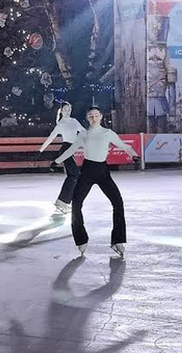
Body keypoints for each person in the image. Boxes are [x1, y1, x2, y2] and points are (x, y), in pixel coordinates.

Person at [55, 107, 139, 257]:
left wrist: (134, 155)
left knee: (118, 202)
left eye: (96, 115)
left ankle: (117, 240)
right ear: (87, 118)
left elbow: (125, 146)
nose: (93, 118)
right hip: (87, 171)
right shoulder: (84, 134)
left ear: (100, 116)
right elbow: (72, 149)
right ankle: (81, 239)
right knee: (76, 203)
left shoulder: (108, 133)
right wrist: (57, 161)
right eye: (90, 116)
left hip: (103, 171)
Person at [39, 101, 85, 214]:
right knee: (74, 175)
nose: (67, 111)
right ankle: (63, 201)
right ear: (61, 111)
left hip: (71, 150)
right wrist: (40, 150)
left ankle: (63, 201)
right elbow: (50, 138)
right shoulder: (60, 124)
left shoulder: (74, 121)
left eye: (69, 109)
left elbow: (84, 132)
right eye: (65, 109)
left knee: (73, 175)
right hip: (65, 150)